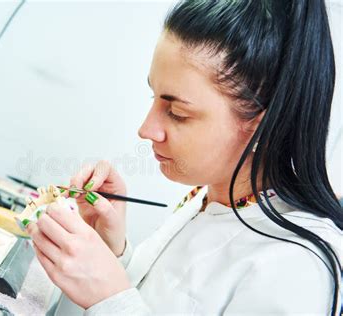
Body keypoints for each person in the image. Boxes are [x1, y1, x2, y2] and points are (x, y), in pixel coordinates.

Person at [26, 1, 343, 314]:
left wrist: (109, 299)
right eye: (154, 97)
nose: (146, 129)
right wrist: (113, 255)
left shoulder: (297, 269)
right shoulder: (209, 201)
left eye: (177, 113)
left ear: (262, 130)